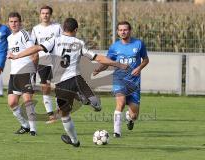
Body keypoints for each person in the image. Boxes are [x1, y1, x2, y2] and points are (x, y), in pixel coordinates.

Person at [7, 18, 128, 147]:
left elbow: (36, 48)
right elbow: (97, 57)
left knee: (65, 115)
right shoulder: (79, 43)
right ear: (76, 30)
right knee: (97, 105)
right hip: (77, 79)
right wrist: (117, 64)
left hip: (61, 85)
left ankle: (74, 140)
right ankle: (85, 98)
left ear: (63, 28)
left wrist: (17, 56)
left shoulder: (54, 40)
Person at [93, 21, 149, 137]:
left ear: (130, 31)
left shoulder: (138, 44)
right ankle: (117, 132)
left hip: (134, 82)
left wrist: (139, 68)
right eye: (120, 30)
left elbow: (146, 60)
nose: (123, 32)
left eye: (125, 30)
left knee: (134, 115)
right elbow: (107, 62)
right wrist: (98, 69)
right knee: (121, 103)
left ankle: (130, 119)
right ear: (118, 32)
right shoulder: (114, 47)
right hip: (119, 80)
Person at [7, 12, 37, 136]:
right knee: (12, 102)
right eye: (11, 22)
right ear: (8, 23)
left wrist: (34, 70)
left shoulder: (24, 34)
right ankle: (25, 125)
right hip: (14, 74)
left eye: (16, 21)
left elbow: (33, 50)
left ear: (20, 22)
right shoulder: (9, 38)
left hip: (25, 71)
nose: (14, 24)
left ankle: (33, 129)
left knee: (27, 100)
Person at [30, 5, 62, 121]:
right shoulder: (35, 29)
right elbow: (33, 48)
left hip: (56, 61)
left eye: (47, 13)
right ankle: (50, 114)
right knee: (45, 87)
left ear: (50, 15)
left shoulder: (57, 27)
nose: (45, 15)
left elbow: (63, 42)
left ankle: (60, 110)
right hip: (43, 61)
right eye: (43, 13)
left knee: (59, 87)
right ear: (40, 15)